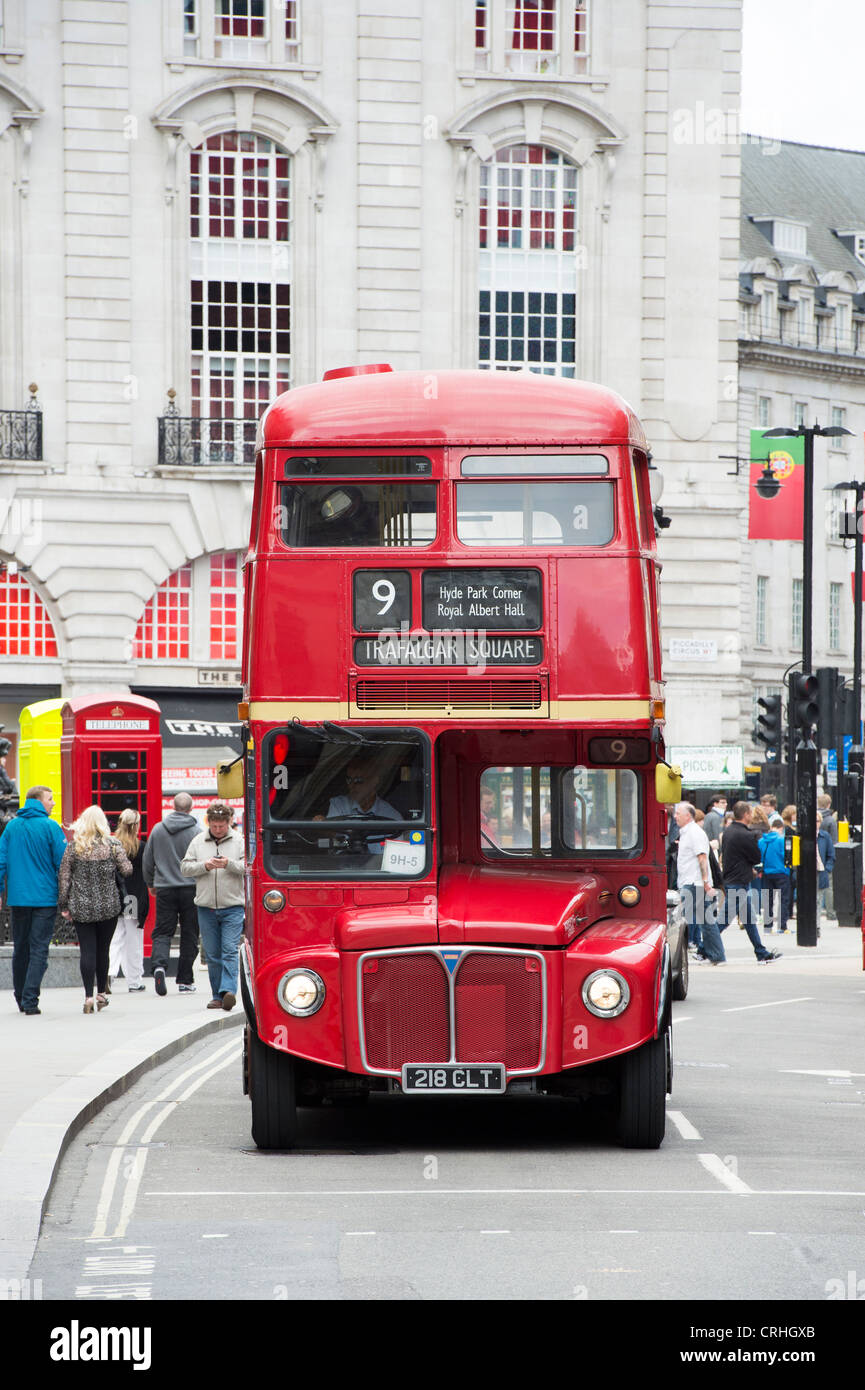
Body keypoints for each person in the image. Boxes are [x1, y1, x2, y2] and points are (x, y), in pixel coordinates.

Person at [0, 785, 68, 1014]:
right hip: (44, 899)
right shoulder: (51, 827)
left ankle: (20, 996)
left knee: (21, 948)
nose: (53, 803)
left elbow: (1, 862)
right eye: (50, 799)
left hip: (18, 898)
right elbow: (62, 865)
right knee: (39, 949)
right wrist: (65, 896)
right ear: (38, 801)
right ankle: (30, 999)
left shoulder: (11, 827)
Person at [58, 805, 133, 1014]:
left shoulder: (74, 847)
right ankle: (101, 993)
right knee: (103, 950)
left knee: (87, 951)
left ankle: (88, 997)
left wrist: (64, 905)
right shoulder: (113, 845)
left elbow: (64, 879)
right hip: (108, 906)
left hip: (82, 906)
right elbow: (127, 870)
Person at [181, 802, 246, 1012]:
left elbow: (248, 867)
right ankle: (217, 995)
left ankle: (228, 991)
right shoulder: (198, 841)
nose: (218, 830)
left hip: (233, 906)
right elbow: (185, 867)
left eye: (222, 826)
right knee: (212, 954)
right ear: (209, 822)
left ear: (229, 822)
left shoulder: (239, 841)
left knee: (229, 950)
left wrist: (229, 864)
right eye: (215, 826)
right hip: (205, 906)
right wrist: (205, 866)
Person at [142, 792, 200, 997]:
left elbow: (147, 861)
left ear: (173, 807)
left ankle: (159, 966)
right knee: (190, 933)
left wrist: (151, 883)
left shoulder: (158, 830)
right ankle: (185, 980)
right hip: (191, 888)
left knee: (162, 931)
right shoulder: (197, 831)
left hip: (165, 888)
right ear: (191, 808)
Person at [717, 802, 782, 963]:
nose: (752, 814)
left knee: (749, 921)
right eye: (750, 812)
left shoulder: (728, 831)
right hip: (739, 881)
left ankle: (761, 952)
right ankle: (704, 948)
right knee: (724, 920)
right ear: (746, 815)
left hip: (733, 878)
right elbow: (756, 857)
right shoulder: (746, 835)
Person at [314, 756, 401, 853]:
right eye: (349, 780)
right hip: (341, 864)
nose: (352, 786)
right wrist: (321, 824)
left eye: (358, 780)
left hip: (376, 867)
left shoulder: (391, 816)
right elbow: (330, 833)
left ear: (374, 781)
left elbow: (396, 856)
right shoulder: (338, 804)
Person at [674, 801, 725, 964]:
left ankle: (715, 954)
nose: (675, 817)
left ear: (688, 816)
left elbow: (702, 857)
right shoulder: (687, 833)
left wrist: (704, 881)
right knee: (705, 920)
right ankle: (715, 954)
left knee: (703, 920)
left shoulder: (694, 833)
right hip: (691, 882)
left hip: (695, 883)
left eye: (678, 814)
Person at [108, 808, 150, 993]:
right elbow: (147, 873)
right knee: (133, 939)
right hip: (133, 897)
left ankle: (109, 972)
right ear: (136, 825)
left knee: (115, 937)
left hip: (113, 895)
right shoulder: (141, 847)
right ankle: (134, 981)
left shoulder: (111, 845)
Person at [759, 813, 792, 934]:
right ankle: (782, 926)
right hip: (781, 872)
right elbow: (786, 856)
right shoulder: (782, 840)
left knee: (768, 899)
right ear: (781, 828)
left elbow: (759, 857)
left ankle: (768, 926)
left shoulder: (762, 841)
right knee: (784, 899)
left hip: (767, 873)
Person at [817, 794, 838, 919]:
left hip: (815, 857)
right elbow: (834, 842)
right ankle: (830, 912)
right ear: (829, 804)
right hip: (826, 857)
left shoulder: (811, 817)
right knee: (829, 885)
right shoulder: (830, 820)